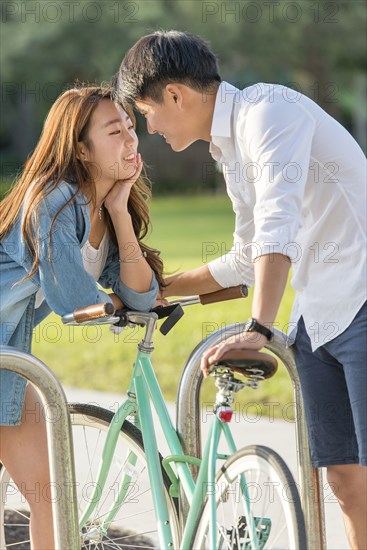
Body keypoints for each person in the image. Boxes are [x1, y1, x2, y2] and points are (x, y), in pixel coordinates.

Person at [115, 31, 367, 549]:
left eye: (146, 113)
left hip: (362, 299)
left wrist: (258, 328)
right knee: (345, 482)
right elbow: (247, 258)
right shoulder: (230, 148)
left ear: (176, 96)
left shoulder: (268, 113)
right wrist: (163, 289)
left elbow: (278, 223)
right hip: (319, 315)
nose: (151, 128)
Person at [0, 85, 163, 549]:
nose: (131, 139)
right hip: (9, 359)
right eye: (115, 131)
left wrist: (119, 213)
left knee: (51, 494)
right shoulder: (48, 200)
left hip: (9, 360)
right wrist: (112, 304)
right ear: (80, 148)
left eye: (131, 127)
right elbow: (74, 300)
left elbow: (142, 297)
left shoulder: (105, 207)